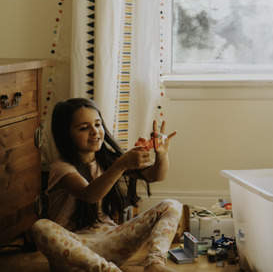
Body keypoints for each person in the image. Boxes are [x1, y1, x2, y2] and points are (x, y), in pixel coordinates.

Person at [31, 98, 182, 272]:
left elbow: (155, 175)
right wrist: (121, 164)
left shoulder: (107, 160)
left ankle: (155, 264)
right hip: (73, 252)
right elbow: (89, 194)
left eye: (97, 124)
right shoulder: (61, 168)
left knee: (171, 205)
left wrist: (161, 154)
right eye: (84, 128)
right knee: (40, 227)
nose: (95, 132)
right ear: (66, 134)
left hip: (110, 243)